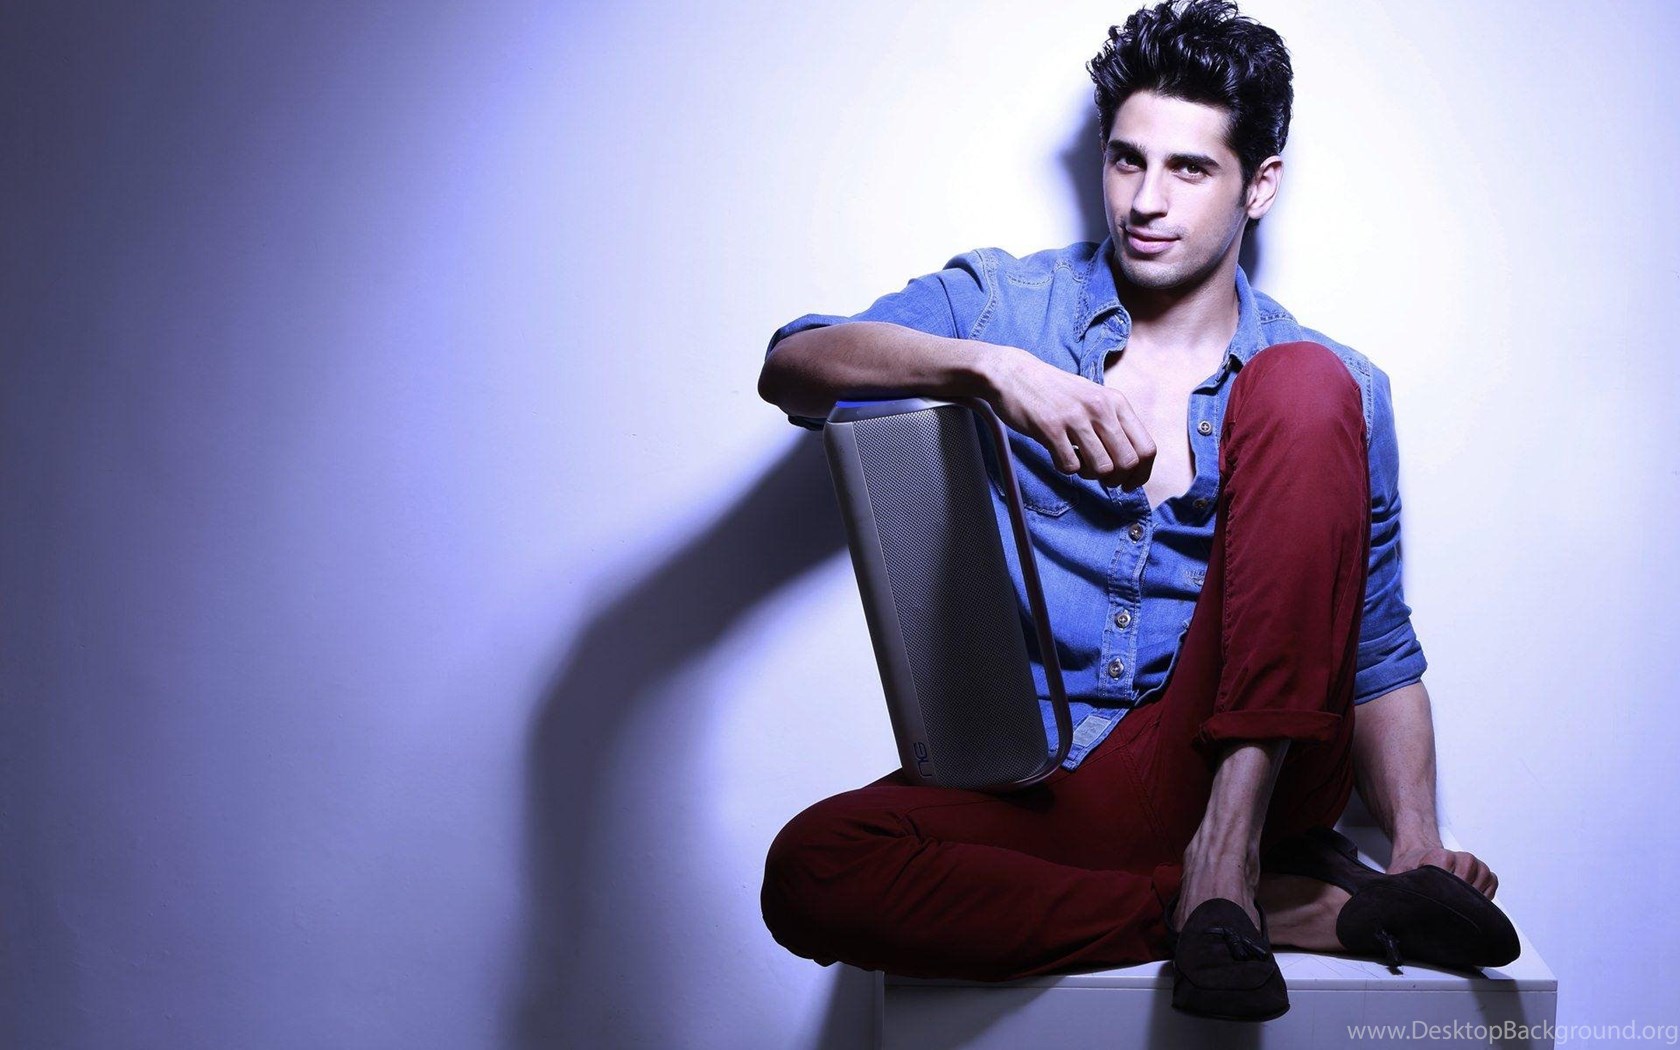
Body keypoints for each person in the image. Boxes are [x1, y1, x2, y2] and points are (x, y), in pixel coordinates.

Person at [754, 0, 1515, 1022]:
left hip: (1251, 764)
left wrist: (1417, 840)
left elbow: (1375, 648)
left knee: (1303, 385)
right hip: (1064, 776)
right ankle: (1254, 906)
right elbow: (795, 365)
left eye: (1190, 169)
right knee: (813, 868)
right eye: (1127, 161)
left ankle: (1229, 854)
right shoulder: (1010, 309)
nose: (1146, 202)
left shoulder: (1344, 386)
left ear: (1259, 186)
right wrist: (992, 372)